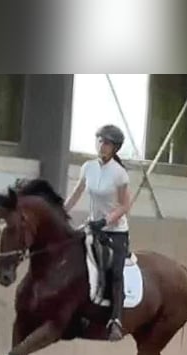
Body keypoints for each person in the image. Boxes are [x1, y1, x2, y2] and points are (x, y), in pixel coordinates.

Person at [65, 124, 132, 342]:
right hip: (91, 225)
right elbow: (76, 195)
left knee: (114, 271)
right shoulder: (88, 167)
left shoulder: (120, 174)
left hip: (115, 231)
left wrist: (105, 221)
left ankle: (116, 320)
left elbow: (124, 206)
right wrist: (60, 213)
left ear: (115, 148)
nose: (102, 146)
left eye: (107, 143)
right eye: (100, 141)